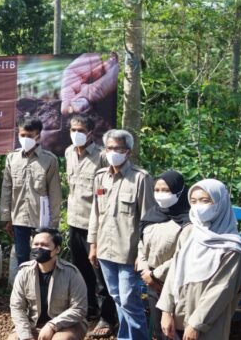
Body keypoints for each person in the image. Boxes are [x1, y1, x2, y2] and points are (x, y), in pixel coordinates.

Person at [158, 179, 241, 340]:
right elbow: (174, 271)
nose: (198, 206)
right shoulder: (190, 234)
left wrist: (196, 324)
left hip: (208, 324)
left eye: (205, 200)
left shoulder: (232, 247)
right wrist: (166, 310)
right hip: (177, 314)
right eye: (193, 201)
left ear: (220, 203)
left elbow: (221, 290)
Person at [87, 129, 154, 340]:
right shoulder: (101, 177)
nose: (113, 152)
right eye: (109, 148)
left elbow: (148, 222)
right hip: (105, 250)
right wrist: (93, 244)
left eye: (118, 148)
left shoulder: (141, 179)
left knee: (128, 300)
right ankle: (125, 336)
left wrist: (142, 255)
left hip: (129, 253)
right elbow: (96, 213)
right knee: (116, 297)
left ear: (129, 152)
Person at [62, 114, 117, 337]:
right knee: (81, 270)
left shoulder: (102, 157)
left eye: (81, 130)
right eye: (73, 129)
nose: (76, 134)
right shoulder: (68, 153)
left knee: (101, 274)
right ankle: (89, 308)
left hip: (96, 226)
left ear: (91, 133)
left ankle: (107, 317)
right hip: (74, 221)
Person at [136, 170, 192, 340]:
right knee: (159, 329)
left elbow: (183, 256)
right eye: (157, 189)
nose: (161, 194)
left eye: (166, 190)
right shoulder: (153, 214)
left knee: (174, 330)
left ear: (180, 191)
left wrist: (155, 275)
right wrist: (145, 271)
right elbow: (141, 244)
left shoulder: (188, 221)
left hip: (175, 284)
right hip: (151, 282)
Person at [1, 116, 62, 265]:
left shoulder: (49, 160)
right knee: (22, 256)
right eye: (22, 135)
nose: (26, 139)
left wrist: (53, 223)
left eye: (30, 136)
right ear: (18, 134)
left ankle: (42, 285)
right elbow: (7, 188)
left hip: (41, 219)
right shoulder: (12, 158)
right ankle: (26, 285)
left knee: (42, 256)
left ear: (38, 136)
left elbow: (55, 193)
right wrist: (6, 217)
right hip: (19, 217)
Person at [9, 228, 88, 340]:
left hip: (66, 325)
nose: (39, 248)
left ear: (57, 249)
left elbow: (79, 308)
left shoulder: (72, 273)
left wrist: (52, 325)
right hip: (33, 324)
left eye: (44, 245)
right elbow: (17, 307)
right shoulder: (24, 272)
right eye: (35, 244)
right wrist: (26, 336)